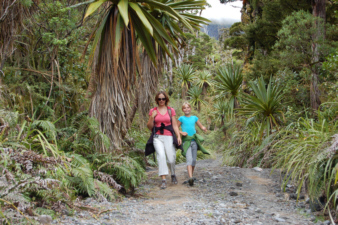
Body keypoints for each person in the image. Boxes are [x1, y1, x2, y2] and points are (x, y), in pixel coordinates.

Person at [146, 91, 182, 189]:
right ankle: (163, 179)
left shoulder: (171, 110)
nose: (161, 100)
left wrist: (178, 136)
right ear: (157, 100)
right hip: (157, 137)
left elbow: (174, 125)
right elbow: (149, 126)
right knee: (161, 156)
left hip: (169, 136)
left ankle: (173, 173)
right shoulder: (153, 110)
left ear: (166, 99)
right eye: (159, 99)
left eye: (163, 99)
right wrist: (152, 117)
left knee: (171, 158)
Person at [178, 102, 210, 186]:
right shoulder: (181, 118)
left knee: (194, 160)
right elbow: (175, 128)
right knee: (189, 159)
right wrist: (181, 132)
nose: (186, 109)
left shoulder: (194, 118)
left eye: (188, 107)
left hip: (194, 141)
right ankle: (191, 177)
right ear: (182, 110)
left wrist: (204, 128)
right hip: (186, 141)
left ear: (190, 109)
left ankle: (190, 177)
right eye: (184, 108)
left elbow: (201, 126)